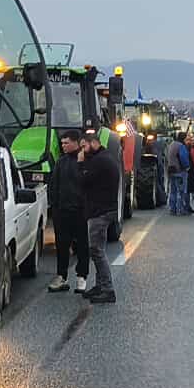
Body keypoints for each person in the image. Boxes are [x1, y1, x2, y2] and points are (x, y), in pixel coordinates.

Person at [78, 129, 120, 303]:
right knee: (98, 249)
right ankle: (100, 285)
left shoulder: (99, 161)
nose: (82, 151)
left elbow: (83, 181)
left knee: (96, 250)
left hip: (99, 211)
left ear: (93, 143)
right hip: (105, 209)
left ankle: (107, 289)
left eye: (84, 146)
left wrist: (81, 164)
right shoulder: (104, 157)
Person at [46, 131, 91, 293]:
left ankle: (82, 277)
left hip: (80, 211)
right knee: (62, 245)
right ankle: (61, 276)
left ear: (76, 143)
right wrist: (54, 206)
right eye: (62, 143)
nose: (63, 146)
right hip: (62, 211)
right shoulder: (60, 162)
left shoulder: (85, 160)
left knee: (82, 245)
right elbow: (53, 185)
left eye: (66, 143)